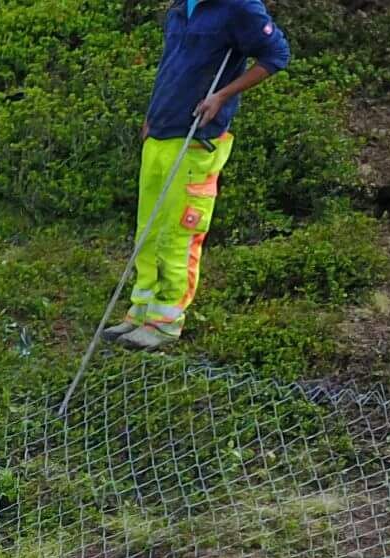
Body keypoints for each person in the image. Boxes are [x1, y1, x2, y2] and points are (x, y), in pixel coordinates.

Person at [110, 0, 289, 351]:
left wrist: (222, 96)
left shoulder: (240, 6)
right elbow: (170, 65)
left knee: (178, 234)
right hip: (160, 132)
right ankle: (140, 311)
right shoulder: (180, 7)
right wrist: (151, 114)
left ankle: (165, 323)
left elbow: (276, 55)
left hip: (196, 138)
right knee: (148, 229)